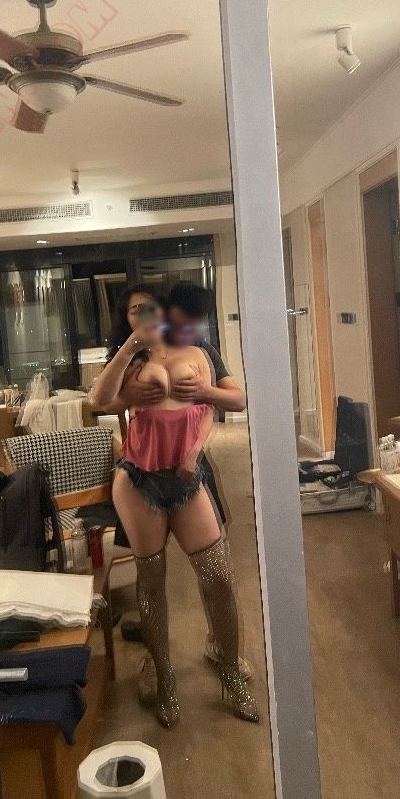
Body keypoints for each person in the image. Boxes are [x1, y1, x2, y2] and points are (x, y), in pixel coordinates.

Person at [91, 286, 259, 729]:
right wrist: (132, 350)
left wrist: (202, 407)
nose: (145, 315)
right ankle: (164, 676)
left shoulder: (197, 349)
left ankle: (229, 670)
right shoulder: (131, 361)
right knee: (152, 580)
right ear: (127, 319)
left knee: (218, 576)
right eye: (135, 310)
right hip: (139, 480)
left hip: (187, 478)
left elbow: (219, 405)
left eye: (151, 308)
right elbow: (99, 400)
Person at [123, 281, 252, 679]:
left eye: (194, 322)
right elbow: (108, 400)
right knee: (150, 574)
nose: (186, 328)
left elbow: (237, 400)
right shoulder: (137, 352)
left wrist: (205, 390)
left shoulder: (200, 349)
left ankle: (221, 647)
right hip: (144, 470)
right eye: (181, 320)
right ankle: (155, 660)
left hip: (192, 468)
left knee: (213, 566)